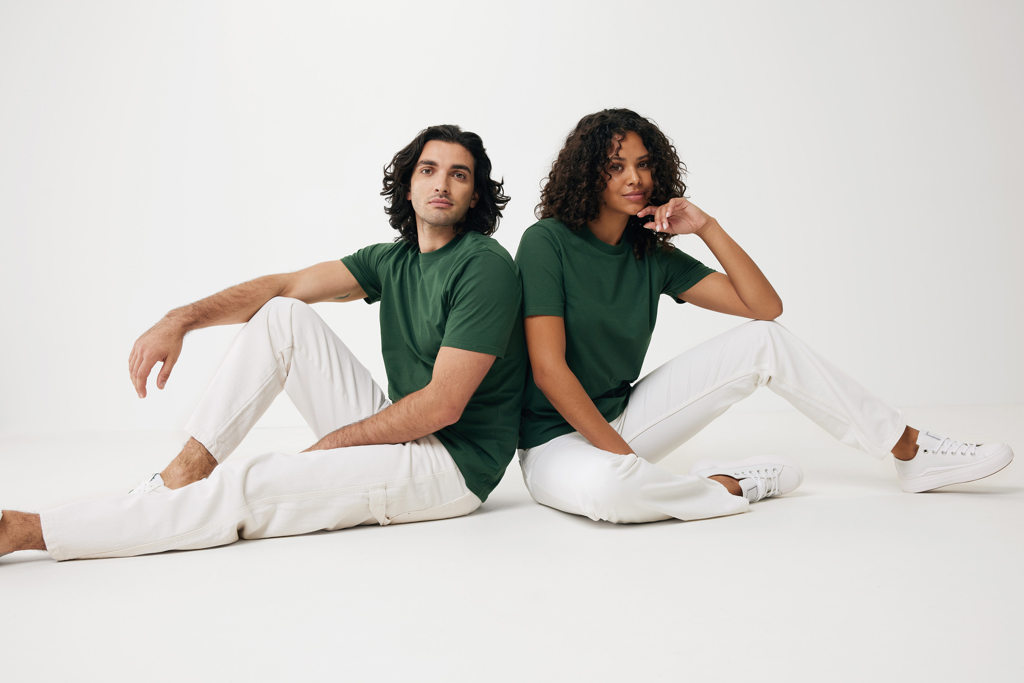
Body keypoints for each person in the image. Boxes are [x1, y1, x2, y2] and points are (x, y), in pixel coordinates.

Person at [0, 124, 527, 560]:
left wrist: (332, 446)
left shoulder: (483, 266)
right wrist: (179, 320)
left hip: (451, 467)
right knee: (282, 314)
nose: (442, 184)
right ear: (408, 187)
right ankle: (186, 470)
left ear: (474, 195)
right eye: (428, 170)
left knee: (251, 485)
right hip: (404, 433)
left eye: (459, 175)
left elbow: (442, 406)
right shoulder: (393, 260)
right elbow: (284, 287)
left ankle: (27, 531)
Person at [514, 108, 1013, 524]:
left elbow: (764, 308)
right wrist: (626, 461)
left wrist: (706, 226)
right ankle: (730, 484)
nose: (635, 179)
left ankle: (910, 449)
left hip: (623, 418)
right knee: (612, 494)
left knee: (763, 341)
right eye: (616, 166)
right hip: (554, 441)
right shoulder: (546, 243)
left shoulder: (649, 254)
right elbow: (549, 371)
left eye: (643, 165)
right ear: (587, 173)